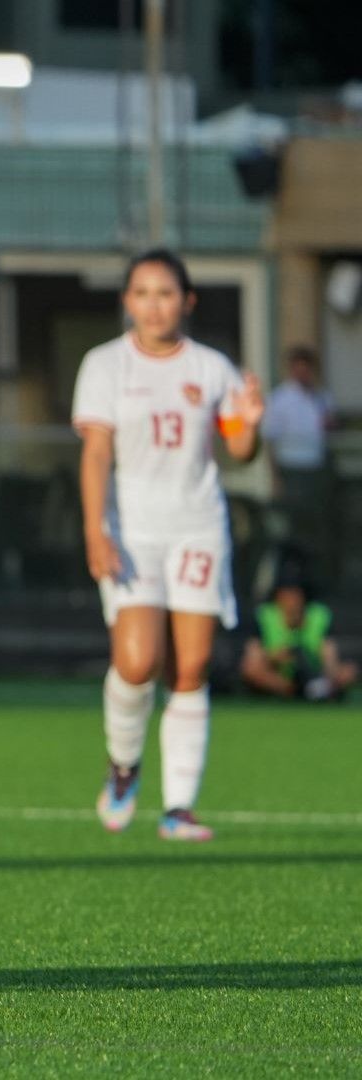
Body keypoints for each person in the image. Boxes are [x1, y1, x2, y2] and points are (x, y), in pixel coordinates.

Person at [72, 249, 264, 844]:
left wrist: (250, 424)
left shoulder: (211, 368)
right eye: (142, 294)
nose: (154, 306)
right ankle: (123, 765)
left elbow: (240, 450)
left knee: (193, 665)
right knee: (137, 661)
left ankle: (179, 807)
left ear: (188, 301)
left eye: (166, 294)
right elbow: (96, 453)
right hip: (133, 530)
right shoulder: (105, 365)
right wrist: (95, 529)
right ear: (127, 302)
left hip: (197, 526)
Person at [262, 344, 337, 578]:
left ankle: (315, 577)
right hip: (292, 469)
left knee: (317, 525)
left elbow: (329, 430)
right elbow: (270, 441)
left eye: (307, 369)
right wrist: (275, 478)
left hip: (316, 467)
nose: (303, 374)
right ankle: (292, 577)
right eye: (298, 369)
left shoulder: (321, 397)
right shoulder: (280, 399)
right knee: (294, 526)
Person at [239, 568, 358, 701]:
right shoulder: (264, 616)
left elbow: (329, 656)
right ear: (278, 598)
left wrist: (328, 674)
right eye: (287, 596)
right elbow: (253, 658)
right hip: (280, 675)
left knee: (348, 671)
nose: (292, 602)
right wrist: (276, 657)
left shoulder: (319, 615)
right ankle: (299, 691)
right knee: (251, 669)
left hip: (314, 672)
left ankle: (317, 688)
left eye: (296, 596)